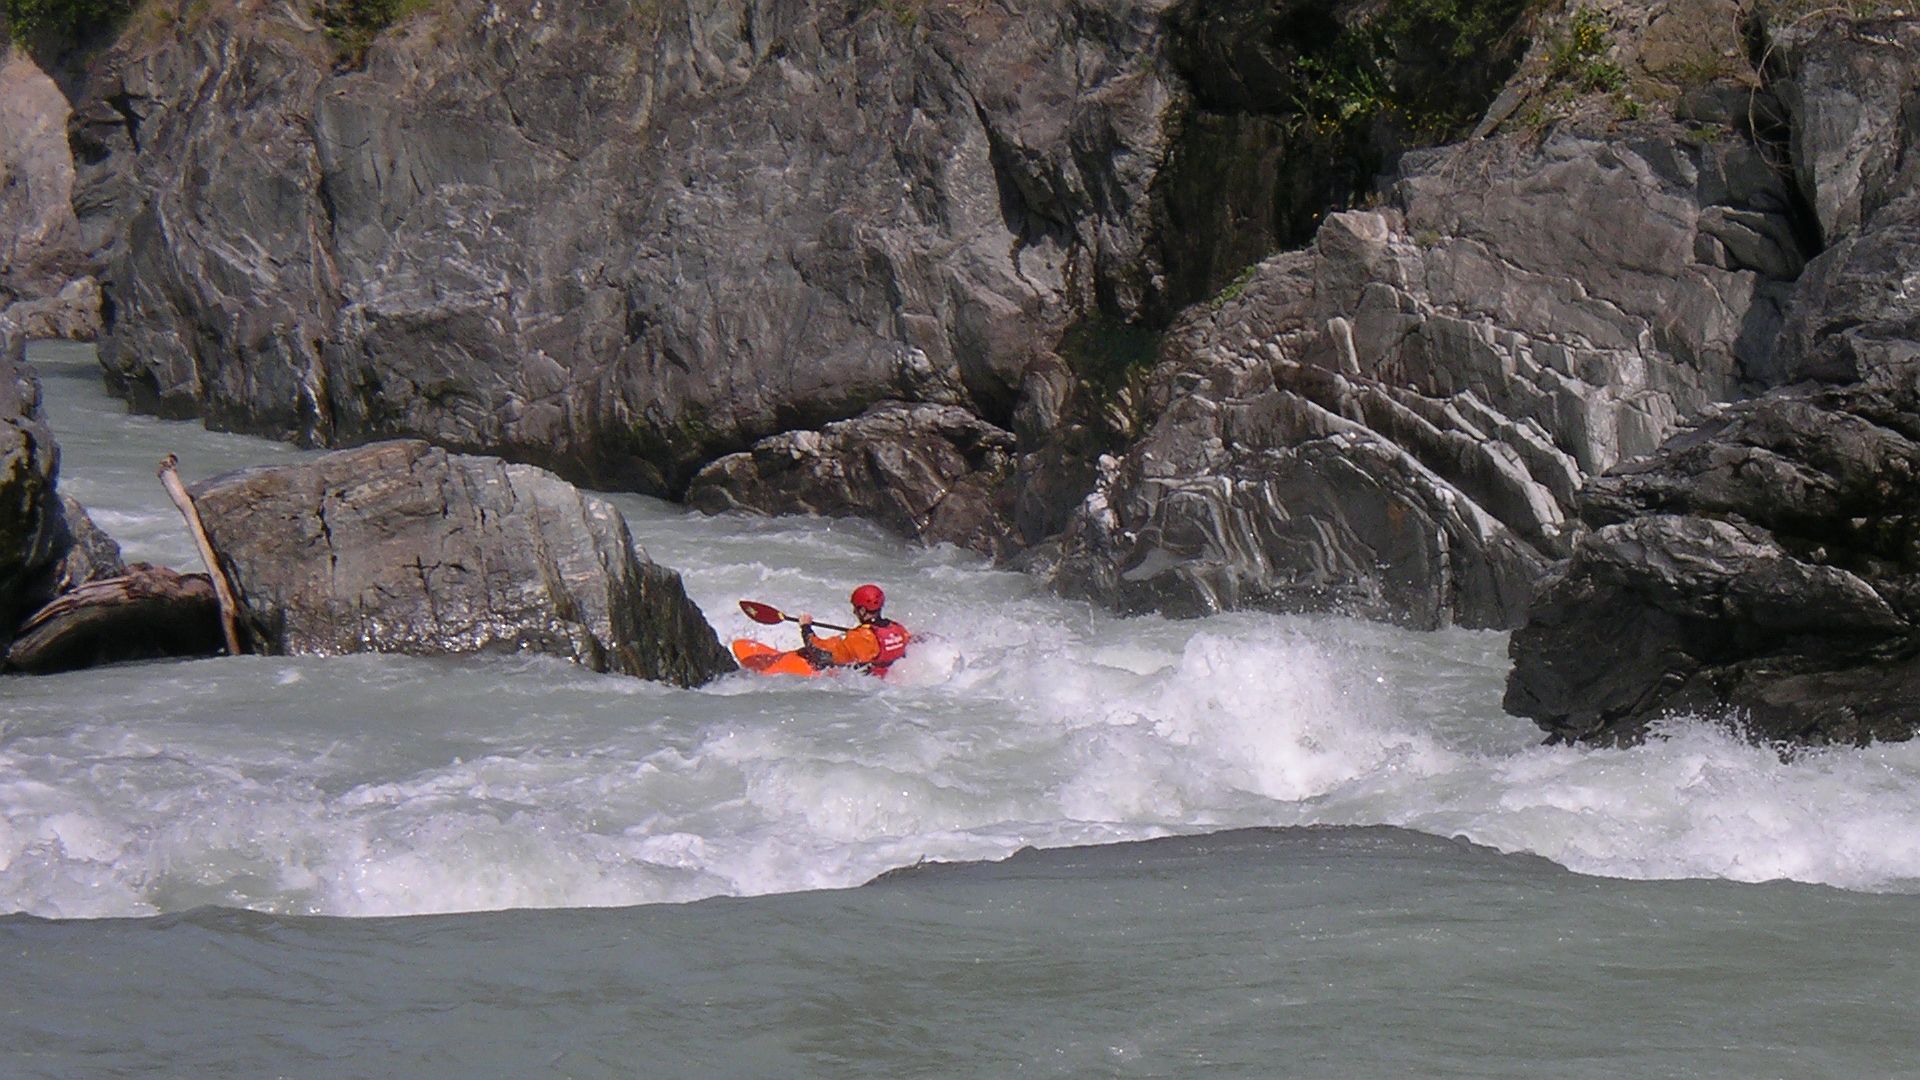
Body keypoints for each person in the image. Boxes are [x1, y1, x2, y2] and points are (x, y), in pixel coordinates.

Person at [797, 584, 910, 677]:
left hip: (866, 682)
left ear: (862, 610)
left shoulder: (862, 637)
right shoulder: (897, 629)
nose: (854, 612)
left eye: (855, 608)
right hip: (887, 679)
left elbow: (820, 653)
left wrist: (806, 627)